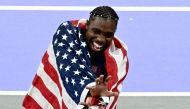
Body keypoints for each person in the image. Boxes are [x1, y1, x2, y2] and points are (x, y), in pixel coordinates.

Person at [22, 6, 129, 109]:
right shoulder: (67, 35)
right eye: (96, 31)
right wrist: (89, 92)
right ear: (87, 26)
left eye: (108, 35)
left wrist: (99, 99)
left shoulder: (117, 58)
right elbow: (70, 72)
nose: (100, 39)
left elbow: (106, 97)